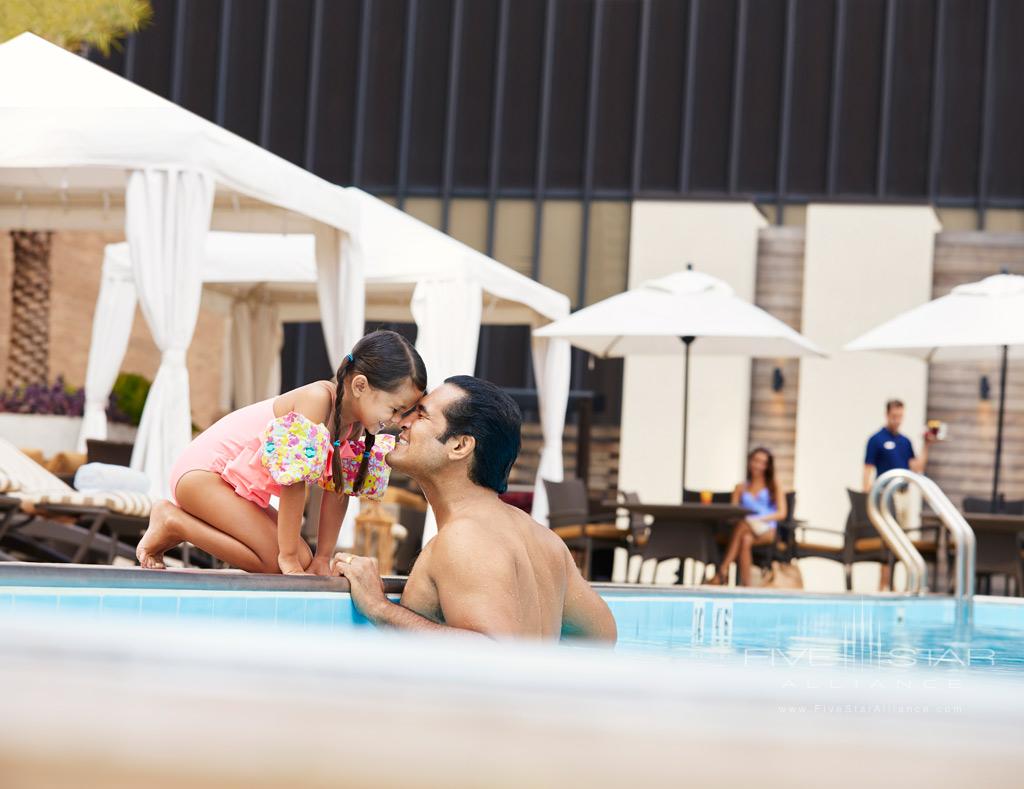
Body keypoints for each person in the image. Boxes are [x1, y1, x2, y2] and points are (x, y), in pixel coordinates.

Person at [331, 376, 617, 643]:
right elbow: (602, 637)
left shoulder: (464, 538)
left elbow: (489, 655)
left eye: (422, 414)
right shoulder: (545, 541)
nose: (404, 422)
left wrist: (379, 608)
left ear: (460, 445)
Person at [136, 330, 426, 575]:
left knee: (302, 558)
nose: (397, 420)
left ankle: (179, 525)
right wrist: (286, 557)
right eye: (395, 409)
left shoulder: (354, 428)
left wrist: (322, 558)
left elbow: (337, 492)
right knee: (278, 561)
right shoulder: (317, 400)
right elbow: (293, 482)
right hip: (203, 475)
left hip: (232, 488)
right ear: (361, 385)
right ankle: (173, 522)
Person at [863, 398, 935, 590]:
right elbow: (868, 470)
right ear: (887, 415)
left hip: (903, 496)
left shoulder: (905, 442)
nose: (897, 420)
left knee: (901, 539)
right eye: (894, 416)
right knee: (888, 540)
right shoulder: (876, 440)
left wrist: (927, 445)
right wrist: (867, 496)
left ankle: (899, 586)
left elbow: (917, 467)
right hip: (886, 496)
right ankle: (884, 585)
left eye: (900, 417)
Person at [707, 447, 786, 587]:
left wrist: (760, 519)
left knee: (744, 525)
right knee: (745, 539)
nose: (758, 465)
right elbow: (733, 512)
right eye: (756, 461)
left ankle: (722, 571)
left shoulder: (774, 485)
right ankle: (747, 586)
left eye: (763, 462)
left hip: (767, 528)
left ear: (768, 466)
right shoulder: (740, 487)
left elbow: (782, 513)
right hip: (746, 528)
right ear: (750, 461)